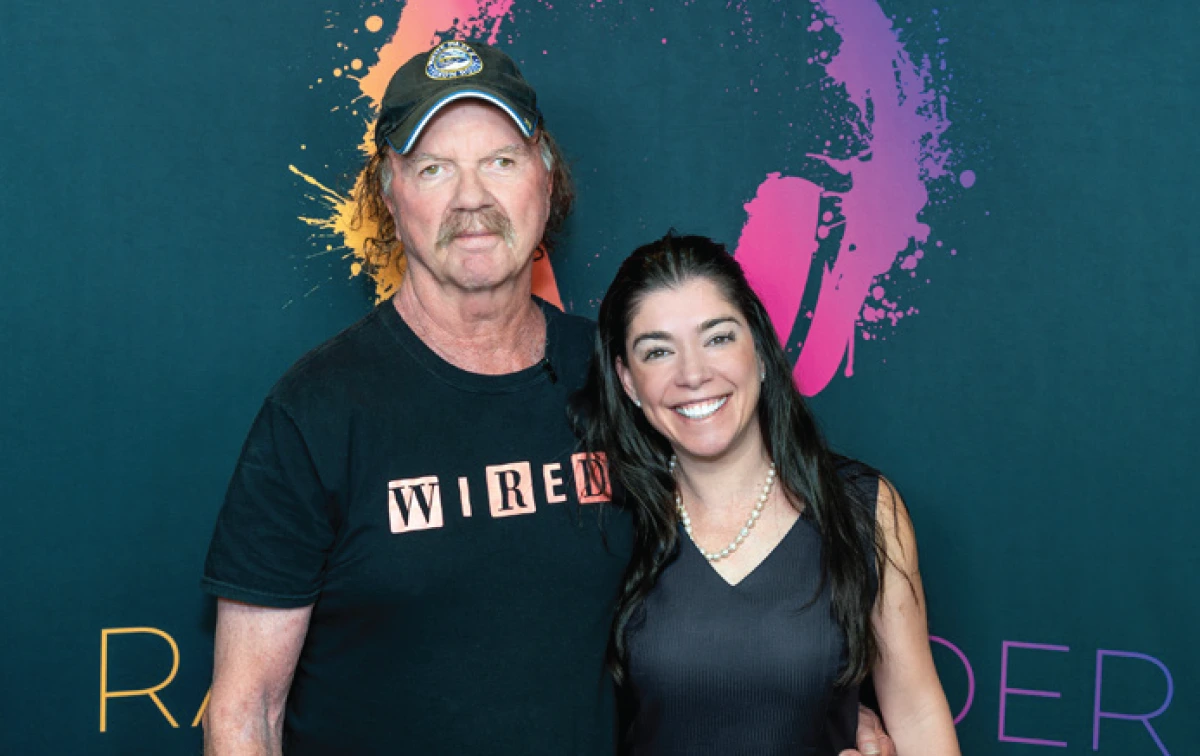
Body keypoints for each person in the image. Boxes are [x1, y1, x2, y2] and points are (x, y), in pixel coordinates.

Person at [201, 39, 895, 755]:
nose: (472, 198)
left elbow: (747, 544)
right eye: (435, 169)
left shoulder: (620, 376)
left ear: (545, 174)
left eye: (500, 161)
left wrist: (832, 713)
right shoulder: (315, 412)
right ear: (389, 191)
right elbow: (244, 715)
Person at [572, 232, 960, 754]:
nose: (693, 374)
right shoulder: (610, 519)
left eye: (718, 337)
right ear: (628, 381)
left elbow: (916, 711)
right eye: (658, 351)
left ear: (758, 346)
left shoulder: (861, 508)